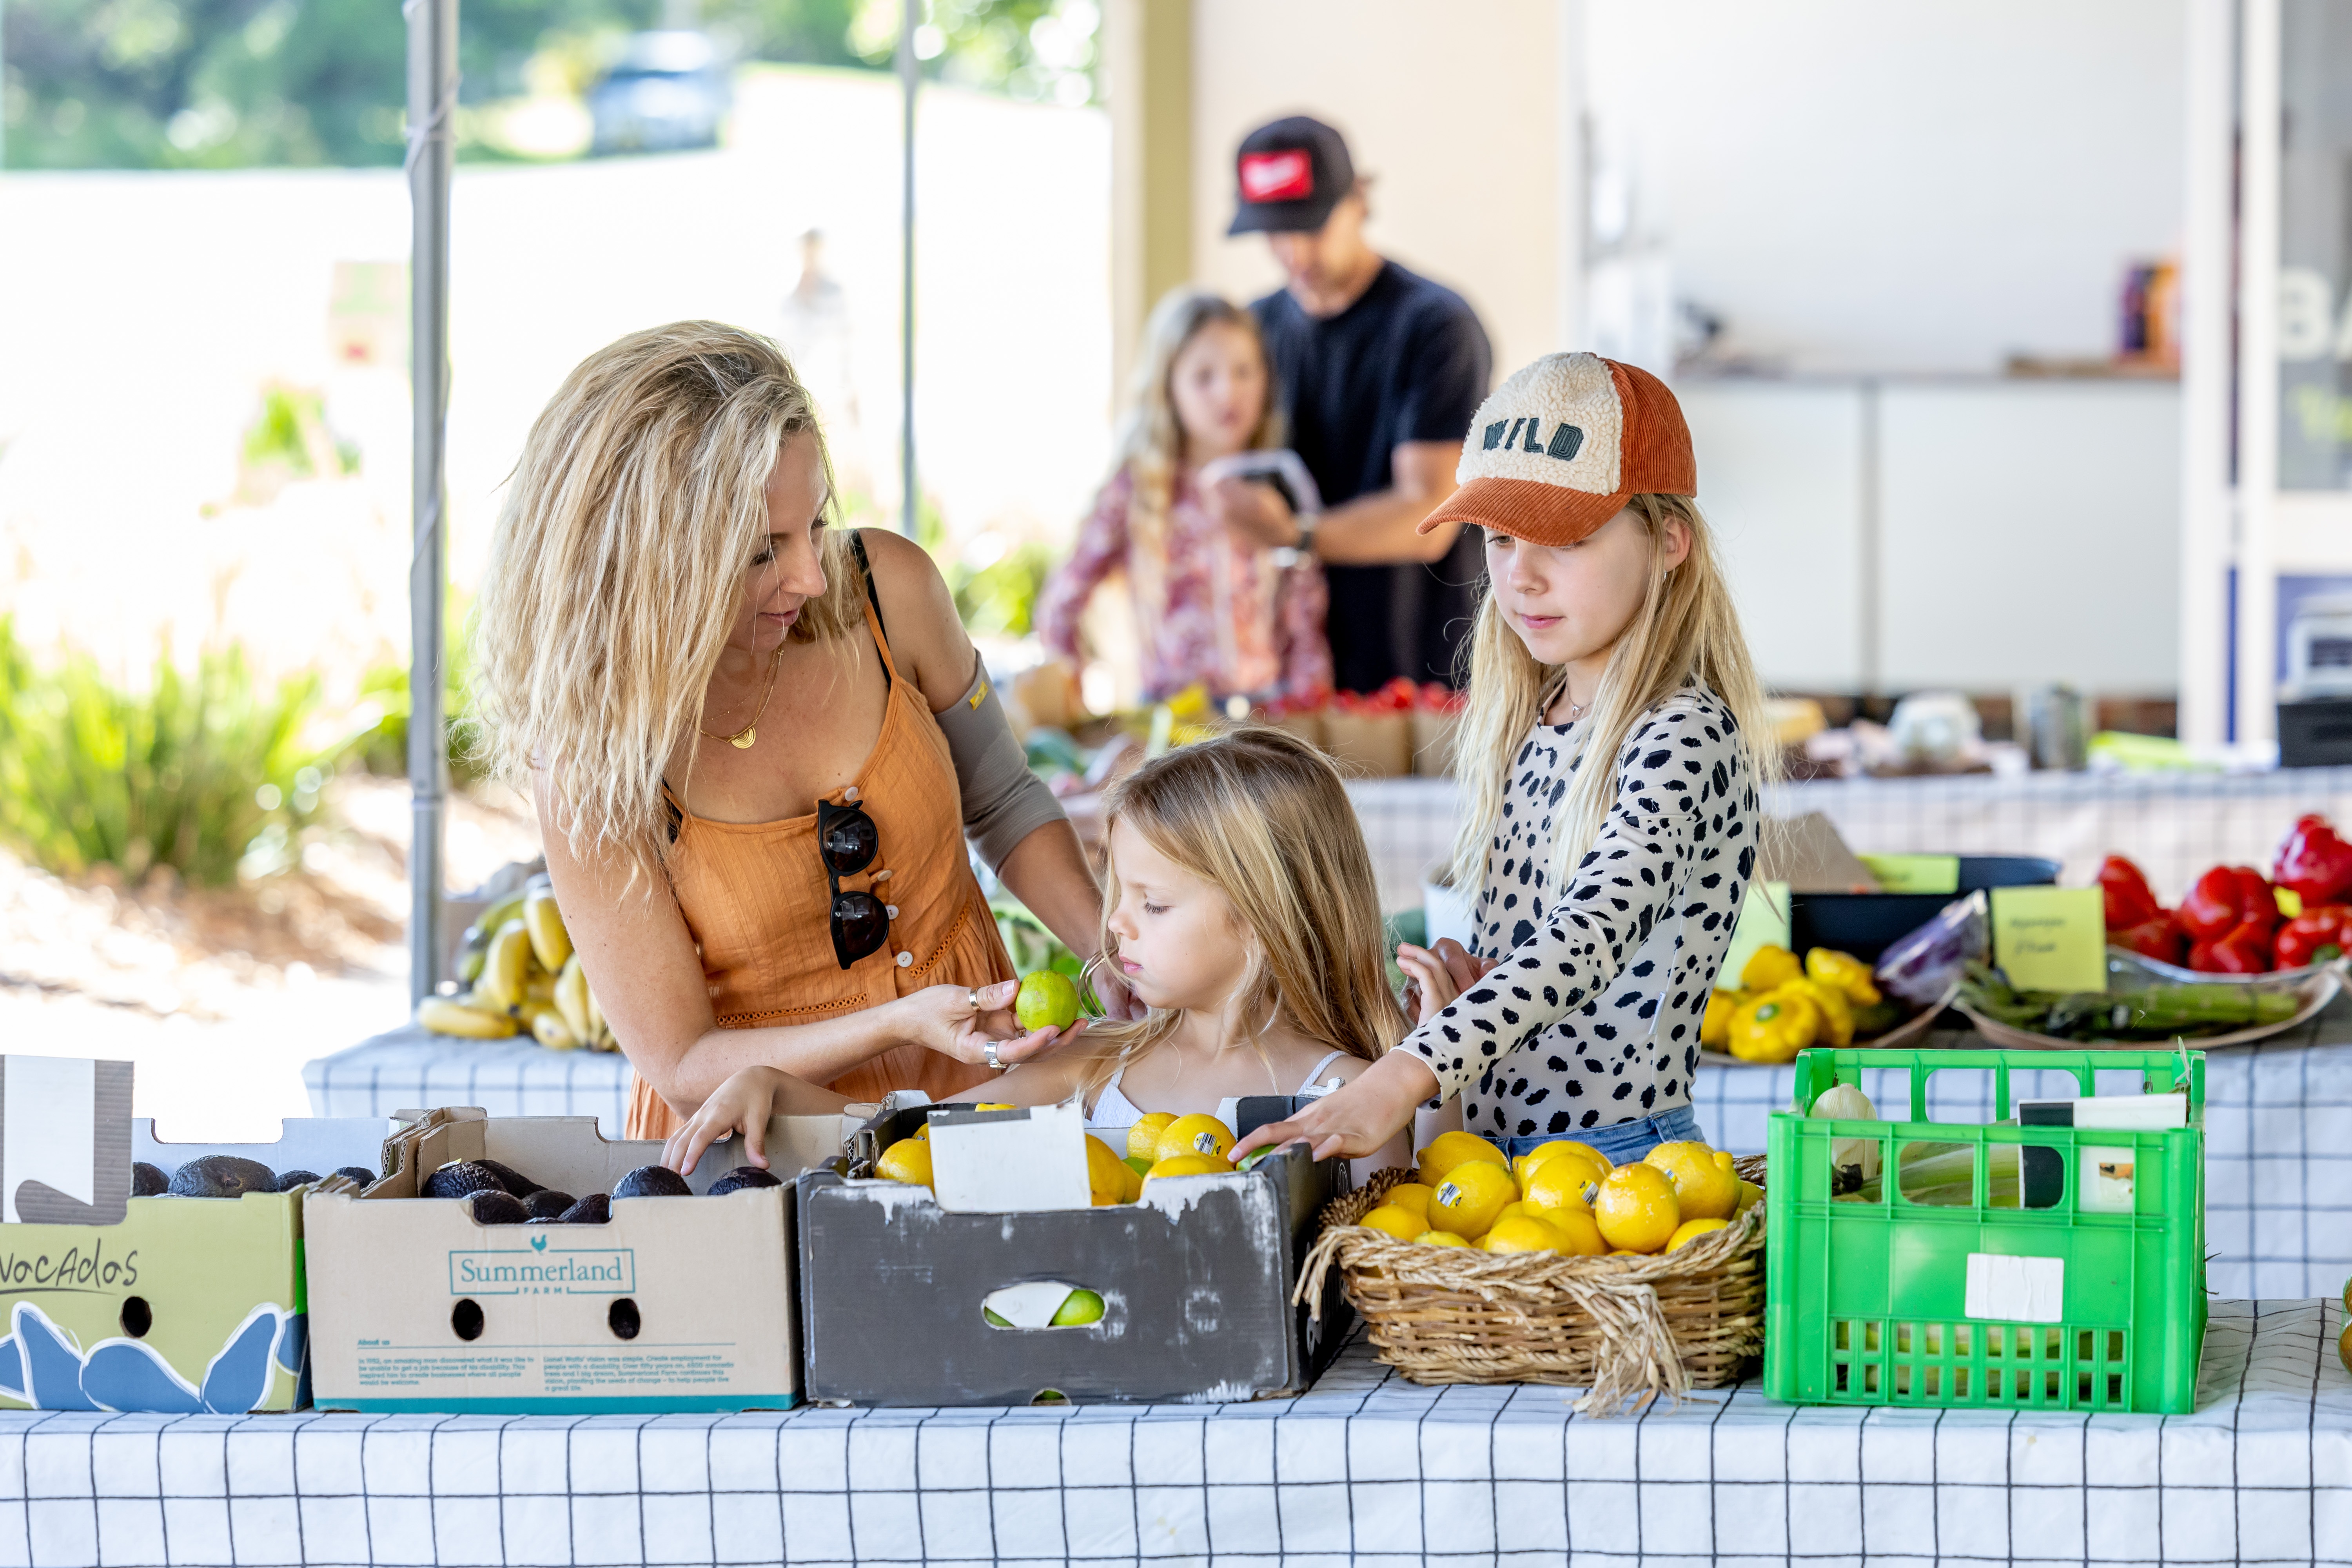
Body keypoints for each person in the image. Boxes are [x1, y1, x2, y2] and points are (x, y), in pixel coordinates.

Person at [470, 322, 1129, 1142]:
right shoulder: (593, 755)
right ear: (646, 565)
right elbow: (681, 1065)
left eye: (814, 523)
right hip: (762, 1153)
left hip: (979, 1106)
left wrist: (1107, 950)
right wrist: (898, 1022)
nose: (812, 576)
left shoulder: (890, 590)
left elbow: (1002, 797)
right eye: (760, 551)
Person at [1232, 352, 1773, 1172]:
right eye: (1499, 537)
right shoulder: (1534, 719)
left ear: (1669, 540)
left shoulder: (1683, 733)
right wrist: (1461, 988)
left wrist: (1404, 1076)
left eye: (1568, 537)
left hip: (1622, 1169)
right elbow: (1539, 963)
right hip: (1502, 1162)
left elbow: (1586, 938)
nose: (1521, 575)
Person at [661, 727, 1411, 1177]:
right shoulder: (1092, 1066)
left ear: (1261, 918)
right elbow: (910, 1139)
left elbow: (1406, 1234)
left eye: (1153, 904)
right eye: (1119, 894)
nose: (1113, 926)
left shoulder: (1348, 1095)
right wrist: (777, 1090)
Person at [1210, 114, 1494, 693]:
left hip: (1423, 671)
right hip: (1292, 673)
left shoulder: (1436, 327)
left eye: (1311, 226)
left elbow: (1429, 517)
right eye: (1274, 231)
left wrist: (1295, 535)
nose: (1293, 250)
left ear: (1359, 200)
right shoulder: (1253, 330)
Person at [1035, 289, 1330, 703]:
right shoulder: (1140, 487)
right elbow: (1063, 600)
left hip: (1267, 718)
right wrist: (1068, 700)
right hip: (1172, 723)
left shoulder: (1281, 483)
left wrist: (1312, 715)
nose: (1229, 392)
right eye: (1204, 377)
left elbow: (1305, 623)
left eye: (1245, 371)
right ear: (1168, 387)